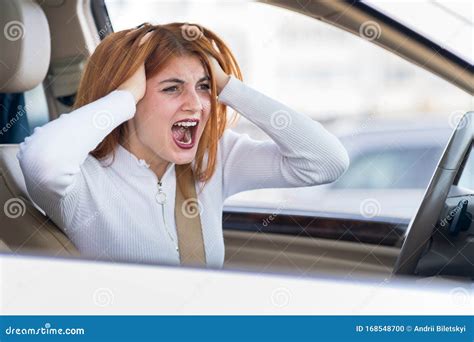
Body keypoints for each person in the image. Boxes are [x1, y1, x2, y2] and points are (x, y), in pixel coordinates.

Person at [17, 22, 349, 268]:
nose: (196, 104)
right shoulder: (80, 178)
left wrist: (228, 86)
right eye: (172, 88)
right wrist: (124, 96)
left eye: (204, 87)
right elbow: (42, 162)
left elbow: (326, 161)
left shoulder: (213, 158)